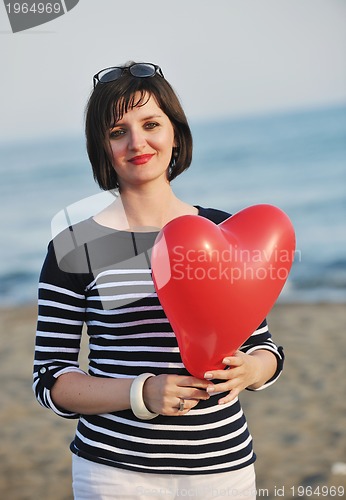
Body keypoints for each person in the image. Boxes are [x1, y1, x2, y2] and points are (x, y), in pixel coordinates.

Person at [33, 61, 284, 500]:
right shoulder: (74, 246)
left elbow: (264, 347)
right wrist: (140, 393)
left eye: (151, 123)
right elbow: (50, 380)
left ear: (174, 132)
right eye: (117, 132)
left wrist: (253, 369)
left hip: (223, 468)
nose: (137, 142)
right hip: (113, 472)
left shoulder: (226, 231)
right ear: (102, 147)